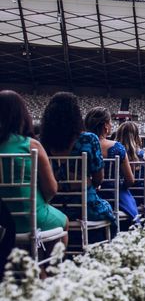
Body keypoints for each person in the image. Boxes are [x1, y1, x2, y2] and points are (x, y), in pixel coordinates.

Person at [0, 90, 68, 245]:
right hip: (28, 218)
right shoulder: (31, 145)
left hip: (1, 222)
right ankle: (47, 266)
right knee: (64, 222)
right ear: (21, 116)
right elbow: (51, 189)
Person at [40, 92, 114, 226]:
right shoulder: (89, 139)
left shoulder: (43, 142)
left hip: (54, 205)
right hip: (84, 205)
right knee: (108, 210)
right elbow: (98, 179)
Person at [84, 107, 137, 222]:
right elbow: (130, 180)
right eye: (110, 122)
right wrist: (120, 186)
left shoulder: (81, 147)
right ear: (105, 126)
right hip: (114, 196)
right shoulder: (117, 147)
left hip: (86, 195)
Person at [115, 121, 145, 214]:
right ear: (136, 136)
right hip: (141, 195)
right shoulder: (144, 155)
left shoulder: (114, 153)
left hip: (118, 194)